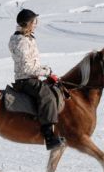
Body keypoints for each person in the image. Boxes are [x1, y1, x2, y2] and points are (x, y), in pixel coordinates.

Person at [8, 9, 63, 150]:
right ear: (27, 24)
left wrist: (46, 71)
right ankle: (49, 136)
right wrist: (47, 72)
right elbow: (27, 68)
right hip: (25, 80)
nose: (36, 24)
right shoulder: (21, 42)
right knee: (47, 96)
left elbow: (33, 64)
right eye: (34, 22)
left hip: (31, 77)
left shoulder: (27, 38)